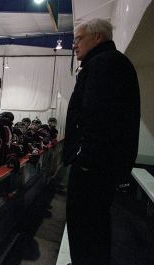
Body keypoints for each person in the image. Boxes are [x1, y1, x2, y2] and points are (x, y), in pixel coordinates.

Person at [64, 18, 140, 265]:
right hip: (99, 165)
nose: (74, 45)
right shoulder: (109, 62)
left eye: (78, 39)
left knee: (85, 226)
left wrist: (84, 159)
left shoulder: (104, 64)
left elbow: (97, 115)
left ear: (97, 37)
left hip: (93, 167)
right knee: (93, 225)